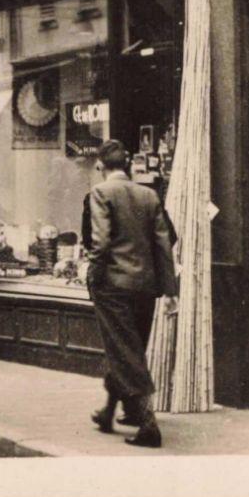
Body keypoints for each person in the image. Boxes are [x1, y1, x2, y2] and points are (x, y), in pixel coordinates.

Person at [85, 139, 179, 448]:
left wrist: (93, 278)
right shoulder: (149, 195)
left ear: (101, 165)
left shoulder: (101, 192)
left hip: (113, 287)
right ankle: (109, 411)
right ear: (125, 166)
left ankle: (148, 424)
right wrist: (169, 290)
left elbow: (99, 244)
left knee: (126, 353)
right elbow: (166, 244)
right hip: (145, 288)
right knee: (129, 349)